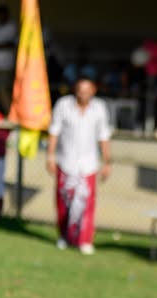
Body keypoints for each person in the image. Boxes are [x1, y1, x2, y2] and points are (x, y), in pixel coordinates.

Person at [46, 76, 112, 255]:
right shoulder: (63, 105)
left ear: (93, 91)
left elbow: (103, 136)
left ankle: (84, 240)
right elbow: (54, 131)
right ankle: (64, 236)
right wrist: (50, 156)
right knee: (64, 202)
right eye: (80, 91)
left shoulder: (99, 108)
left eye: (87, 91)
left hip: (88, 163)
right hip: (66, 161)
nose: (83, 94)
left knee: (86, 203)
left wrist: (107, 161)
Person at [0, 4, 17, 115]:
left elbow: (9, 43)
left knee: (3, 89)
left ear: (6, 15)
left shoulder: (12, 26)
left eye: (2, 14)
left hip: (6, 65)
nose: (0, 16)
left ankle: (10, 114)